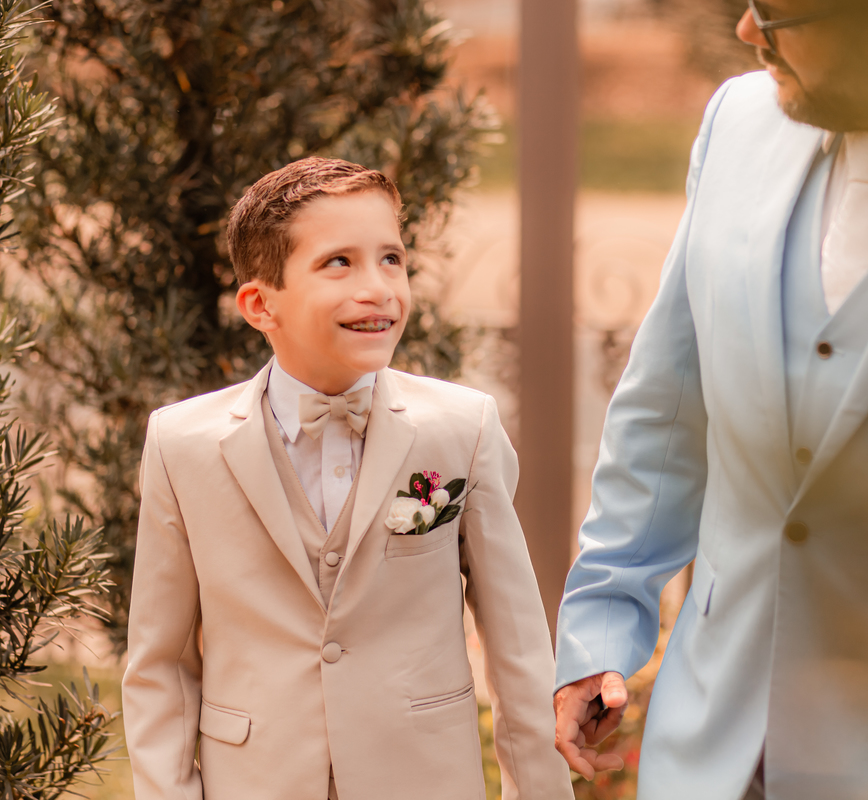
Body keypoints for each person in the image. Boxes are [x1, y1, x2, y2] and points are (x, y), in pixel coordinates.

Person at [553, 1, 868, 798]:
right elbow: (666, 408)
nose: (750, 32)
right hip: (707, 755)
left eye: (780, 12)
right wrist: (602, 629)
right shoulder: (739, 118)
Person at [122, 157, 573, 800]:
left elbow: (518, 649)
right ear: (259, 304)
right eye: (340, 263)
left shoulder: (460, 428)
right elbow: (160, 668)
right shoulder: (182, 444)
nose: (378, 288)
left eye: (391, 258)